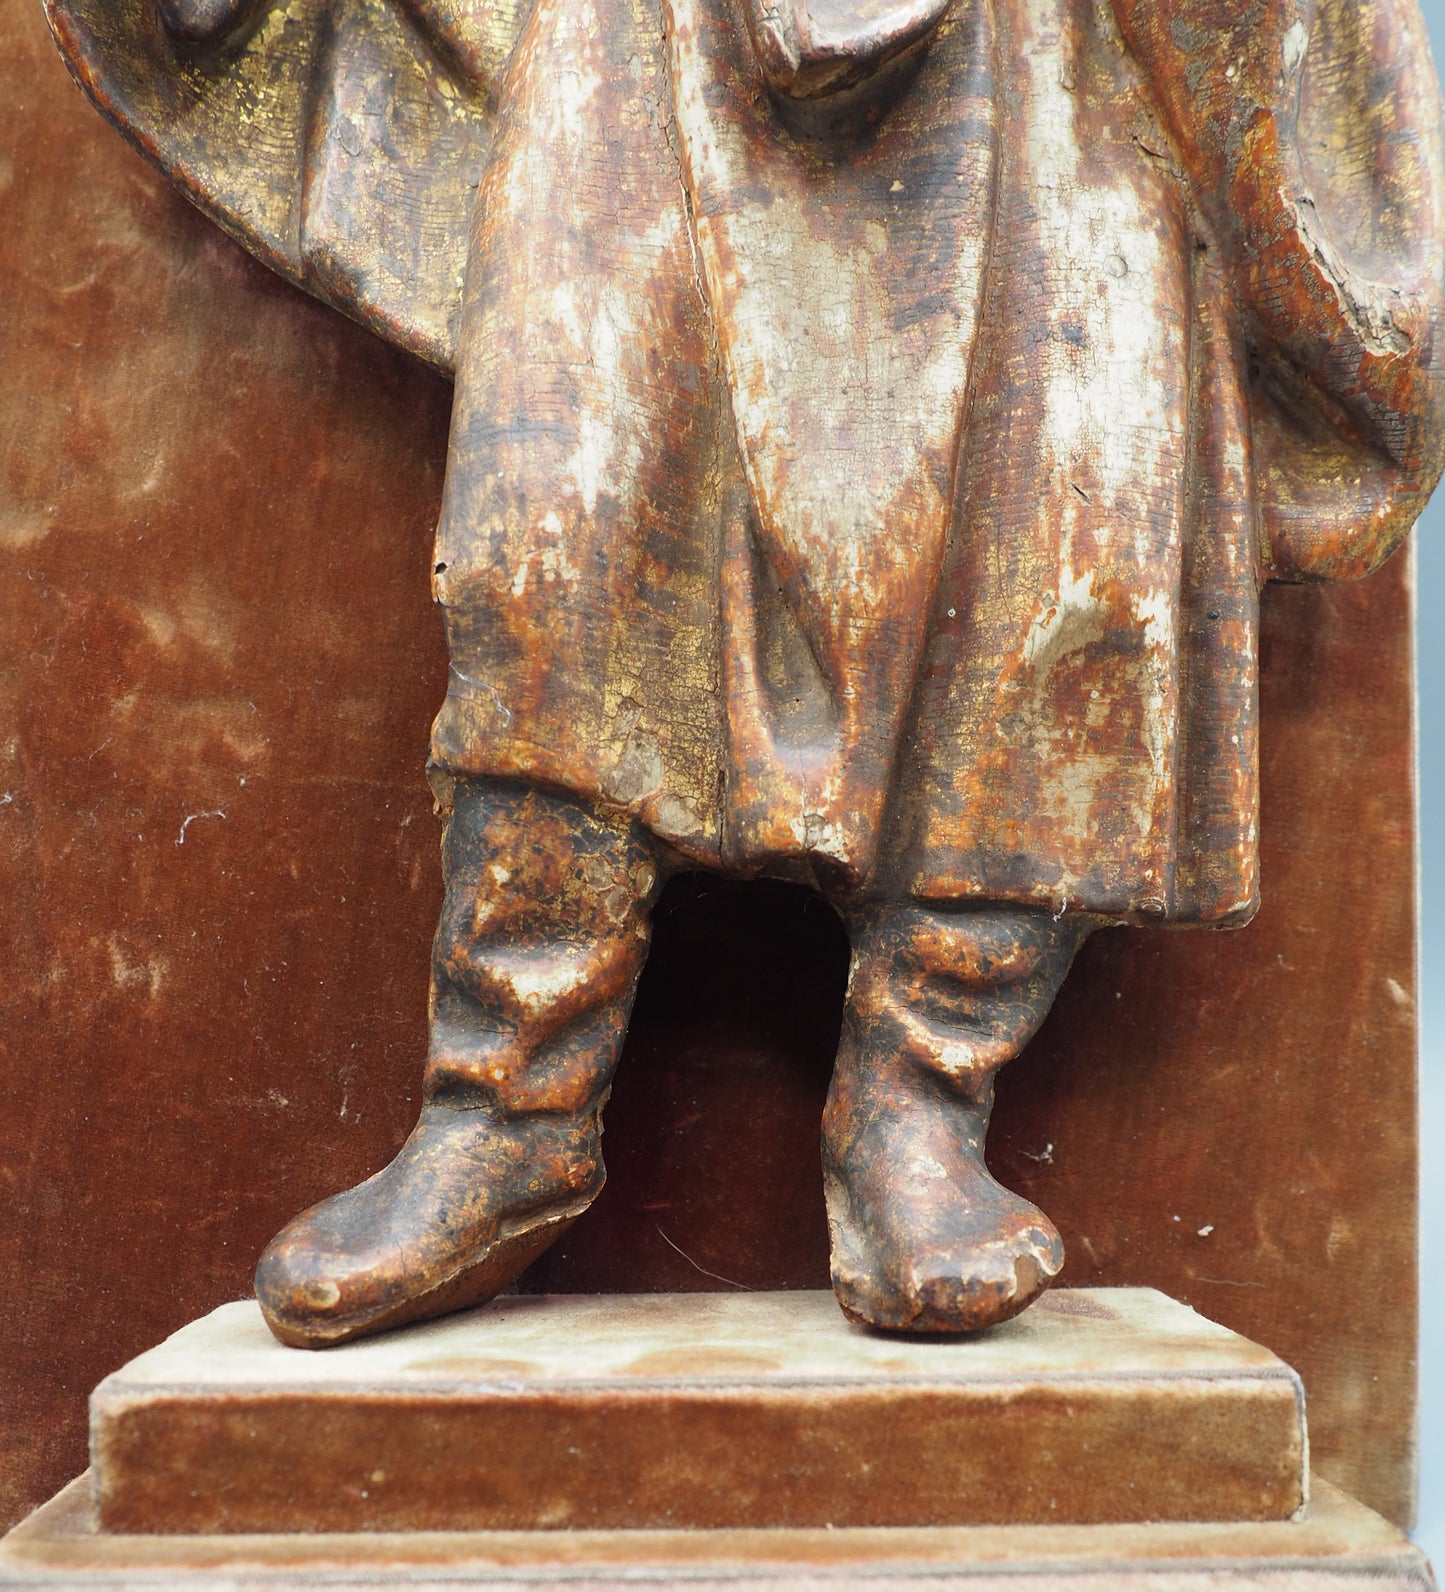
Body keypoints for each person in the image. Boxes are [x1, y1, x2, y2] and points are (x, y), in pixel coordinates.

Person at [47, 0, 1445, 1342]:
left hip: (1045, 58)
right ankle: (506, 1097)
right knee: (560, 525)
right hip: (638, 44)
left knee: (1054, 533)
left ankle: (922, 1089)